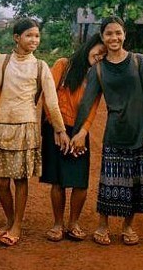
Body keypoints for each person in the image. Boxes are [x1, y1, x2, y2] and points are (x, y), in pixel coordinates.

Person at [0, 18, 70, 247]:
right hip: (2, 127)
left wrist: (61, 130)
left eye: (37, 36)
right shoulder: (3, 61)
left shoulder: (40, 66)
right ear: (16, 37)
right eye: (29, 35)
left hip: (26, 128)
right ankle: (9, 222)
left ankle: (17, 225)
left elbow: (52, 102)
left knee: (20, 180)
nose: (34, 40)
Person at [72, 16, 143, 246]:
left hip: (140, 132)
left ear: (125, 34)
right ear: (102, 37)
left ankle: (127, 226)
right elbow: (87, 102)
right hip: (114, 133)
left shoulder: (138, 61)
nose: (114, 37)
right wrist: (78, 132)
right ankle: (103, 225)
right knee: (110, 181)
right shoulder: (98, 70)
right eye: (109, 33)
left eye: (118, 33)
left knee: (135, 182)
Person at [40, 33, 107, 242]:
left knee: (80, 182)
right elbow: (48, 97)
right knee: (58, 181)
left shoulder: (98, 75)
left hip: (79, 133)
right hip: (56, 129)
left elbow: (94, 106)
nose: (100, 56)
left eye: (105, 54)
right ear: (89, 46)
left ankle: (73, 223)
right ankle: (58, 224)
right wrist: (58, 129)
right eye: (99, 50)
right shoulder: (64, 65)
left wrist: (83, 132)